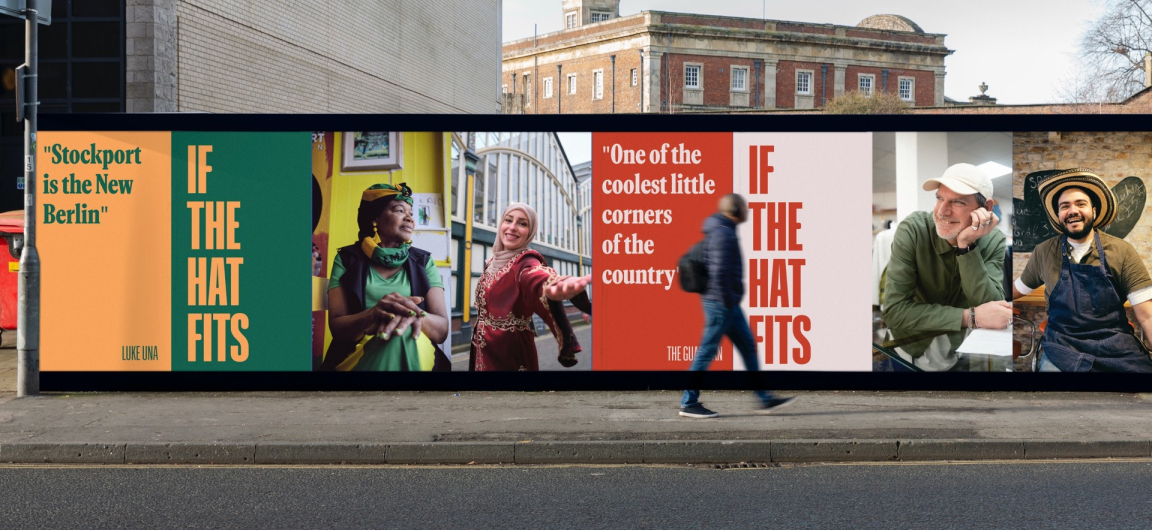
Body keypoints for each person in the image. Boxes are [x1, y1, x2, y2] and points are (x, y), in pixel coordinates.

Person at [1012, 169, 1152, 372]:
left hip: (1114, 346)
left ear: (1093, 211)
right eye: (1065, 206)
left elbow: (1147, 316)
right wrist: (988, 301)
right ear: (1059, 215)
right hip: (1062, 346)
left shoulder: (1122, 251)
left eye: (1080, 204)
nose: (1072, 210)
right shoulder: (1044, 251)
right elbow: (1017, 289)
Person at [679, 194, 796, 419]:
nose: (748, 211)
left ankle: (764, 398)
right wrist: (727, 303)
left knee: (748, 347)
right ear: (736, 210)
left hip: (727, 305)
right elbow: (720, 274)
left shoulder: (723, 230)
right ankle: (688, 403)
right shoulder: (724, 235)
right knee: (706, 352)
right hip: (721, 305)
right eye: (745, 207)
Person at [321, 183, 451, 371]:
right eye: (399, 210)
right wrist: (373, 314)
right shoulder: (346, 259)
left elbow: (441, 331)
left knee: (402, 334)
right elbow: (338, 329)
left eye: (411, 213)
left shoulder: (424, 261)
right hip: (358, 352)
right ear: (375, 217)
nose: (410, 218)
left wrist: (411, 315)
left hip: (416, 343)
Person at [882, 163, 1012, 334]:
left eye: (958, 202)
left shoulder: (994, 239)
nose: (942, 211)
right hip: (913, 341)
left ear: (986, 208)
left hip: (963, 346)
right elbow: (893, 312)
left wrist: (966, 246)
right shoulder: (913, 230)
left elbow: (992, 308)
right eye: (939, 198)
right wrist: (969, 317)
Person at [469, 202, 592, 371]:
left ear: (530, 231)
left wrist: (554, 284)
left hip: (510, 354)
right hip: (482, 350)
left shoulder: (525, 262)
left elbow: (536, 277)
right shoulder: (492, 262)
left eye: (522, 223)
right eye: (508, 220)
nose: (512, 227)